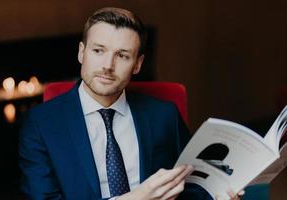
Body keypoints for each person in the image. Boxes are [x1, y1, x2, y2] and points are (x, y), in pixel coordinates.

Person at [19, 7, 242, 200]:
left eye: (123, 55)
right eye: (98, 51)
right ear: (81, 52)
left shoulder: (164, 115)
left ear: (137, 64)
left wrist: (217, 194)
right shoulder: (40, 123)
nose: (108, 65)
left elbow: (193, 185)